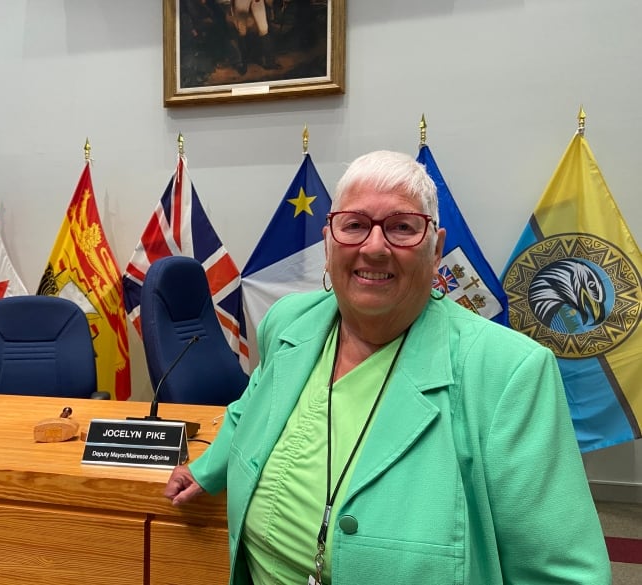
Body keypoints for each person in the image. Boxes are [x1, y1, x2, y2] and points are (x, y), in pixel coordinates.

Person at [164, 150, 611, 584]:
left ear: (436, 250)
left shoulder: (509, 372)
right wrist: (207, 469)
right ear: (328, 242)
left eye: (401, 227)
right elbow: (253, 404)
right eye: (354, 225)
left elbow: (562, 572)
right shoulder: (289, 322)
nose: (374, 247)